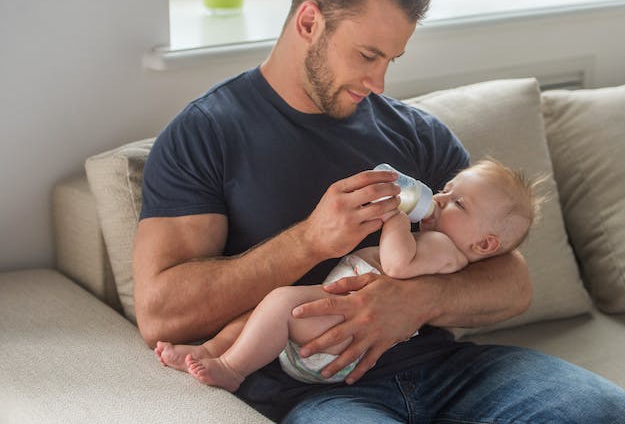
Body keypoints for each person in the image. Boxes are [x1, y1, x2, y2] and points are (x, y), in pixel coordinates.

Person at [132, 0, 625, 422]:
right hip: (321, 391)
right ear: (309, 22)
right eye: (367, 55)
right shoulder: (207, 135)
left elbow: (512, 280)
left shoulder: (417, 134)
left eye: (392, 59)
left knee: (624, 415)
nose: (380, 82)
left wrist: (417, 299)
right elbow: (161, 315)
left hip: (448, 372)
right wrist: (310, 242)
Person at [154, 159, 543, 391]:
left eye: (457, 202)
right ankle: (208, 350)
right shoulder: (443, 239)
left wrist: (394, 217)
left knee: (279, 304)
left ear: (485, 244)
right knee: (267, 310)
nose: (439, 199)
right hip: (333, 332)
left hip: (337, 341)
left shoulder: (445, 249)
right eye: (444, 190)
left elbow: (396, 265)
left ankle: (232, 369)